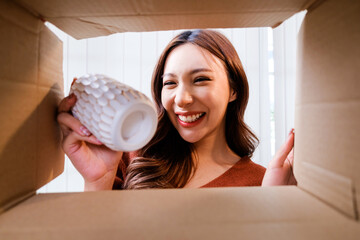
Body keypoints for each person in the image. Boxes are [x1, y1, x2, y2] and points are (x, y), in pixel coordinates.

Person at [57, 29, 296, 191]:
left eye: (200, 79)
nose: (181, 99)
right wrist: (98, 181)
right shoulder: (131, 157)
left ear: (234, 89)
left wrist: (274, 203)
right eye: (170, 83)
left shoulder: (262, 183)